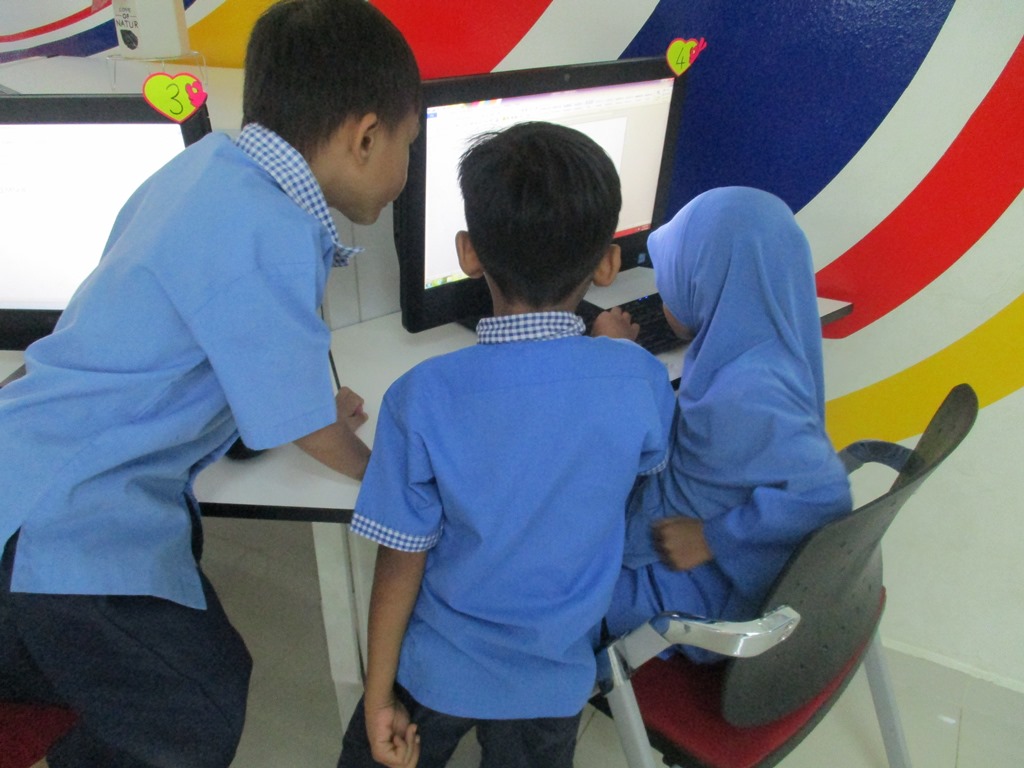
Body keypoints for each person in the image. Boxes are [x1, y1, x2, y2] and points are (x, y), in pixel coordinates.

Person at [0, 1, 420, 766]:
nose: (406, 171)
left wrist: (302, 396)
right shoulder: (276, 229)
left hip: (21, 468)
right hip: (66, 520)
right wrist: (385, 473)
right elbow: (305, 427)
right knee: (199, 703)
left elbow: (209, 329)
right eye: (408, 146)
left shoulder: (204, 168)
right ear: (365, 138)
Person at [336, 122, 676, 768]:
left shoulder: (419, 398)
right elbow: (637, 475)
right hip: (553, 676)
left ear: (468, 253)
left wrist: (379, 696)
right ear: (607, 262)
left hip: (437, 669)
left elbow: (400, 561)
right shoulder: (640, 380)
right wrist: (609, 355)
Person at [605, 186, 853, 662]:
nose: (667, 294)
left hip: (697, 596)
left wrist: (712, 538)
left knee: (540, 574)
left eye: (674, 277)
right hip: (716, 574)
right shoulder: (763, 343)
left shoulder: (749, 390)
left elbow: (827, 496)